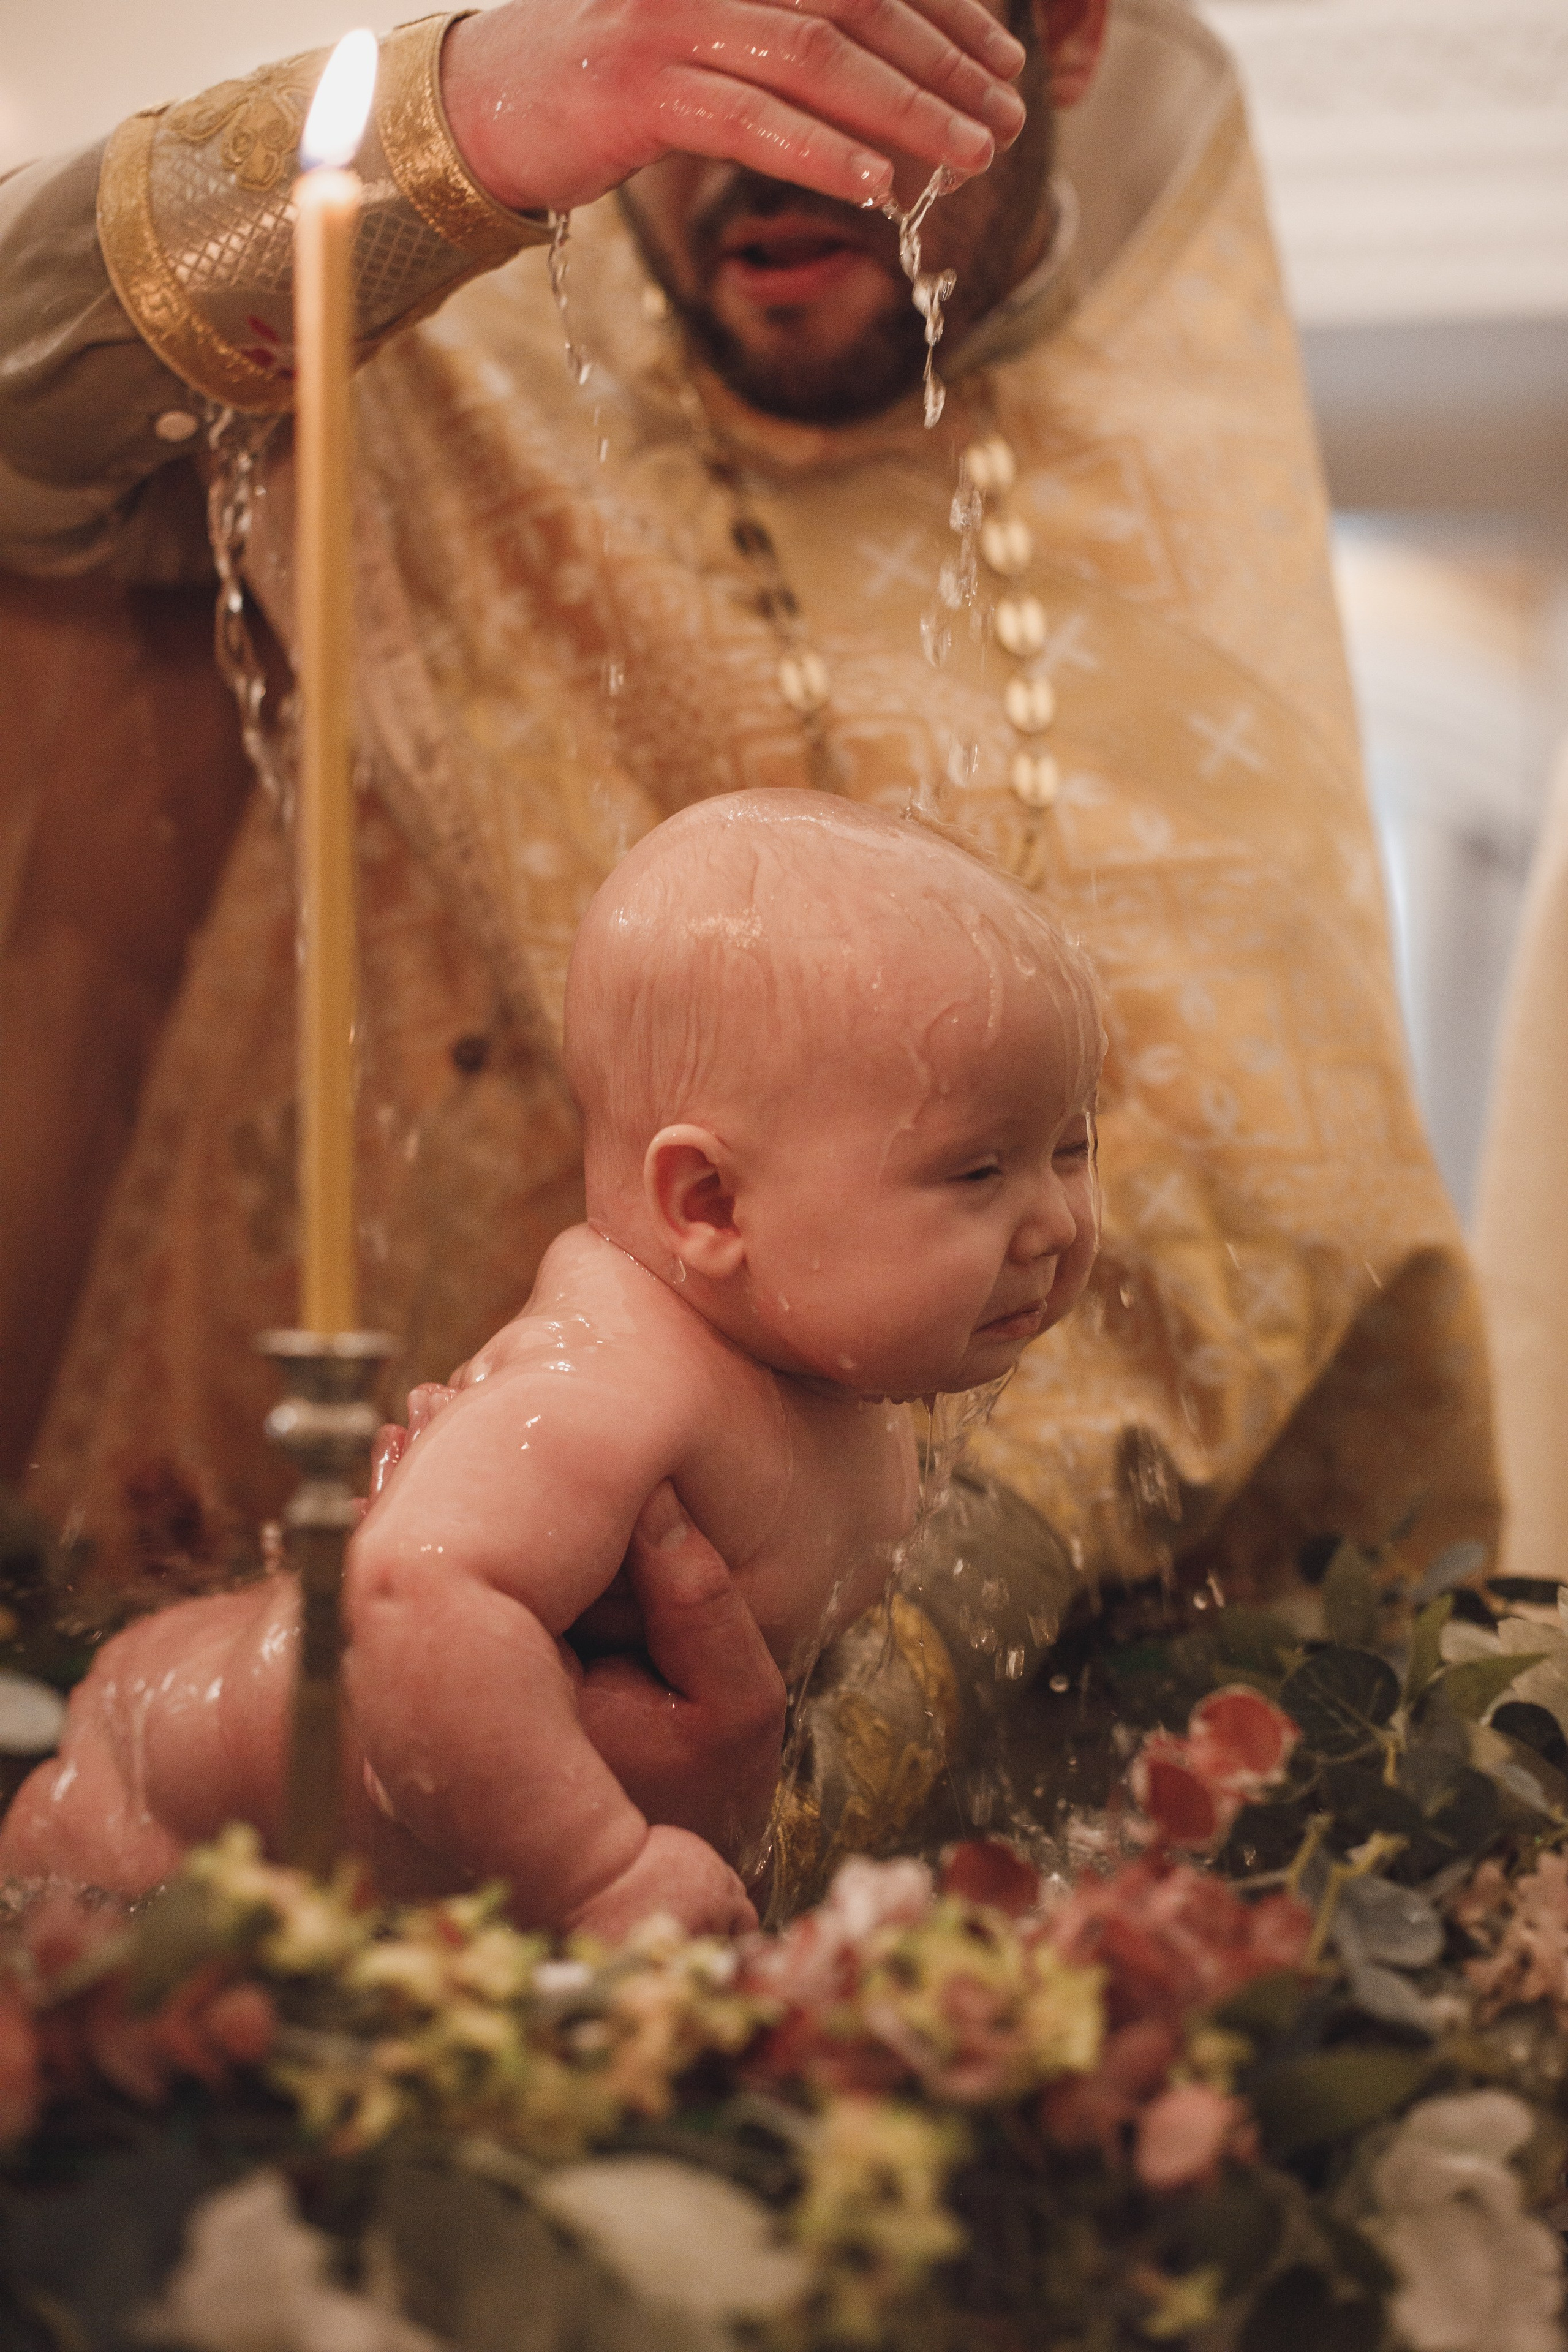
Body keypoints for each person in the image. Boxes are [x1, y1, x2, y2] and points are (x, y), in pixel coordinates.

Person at [0, 0, 1496, 1904]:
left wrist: (797, 1752)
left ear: (1068, 39)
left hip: (972, 1774)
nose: (757, 156)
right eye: (717, 43)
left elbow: (1261, 1178)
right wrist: (466, 124)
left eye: (864, 28)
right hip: (366, 1737)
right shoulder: (438, 345)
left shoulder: (1169, 456)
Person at [0, 796, 1103, 1931]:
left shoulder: (818, 1369)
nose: (1057, 1223)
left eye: (1072, 1148)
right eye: (979, 1174)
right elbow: (407, 1592)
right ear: (710, 1203)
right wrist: (600, 1871)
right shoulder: (613, 1384)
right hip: (158, 1775)